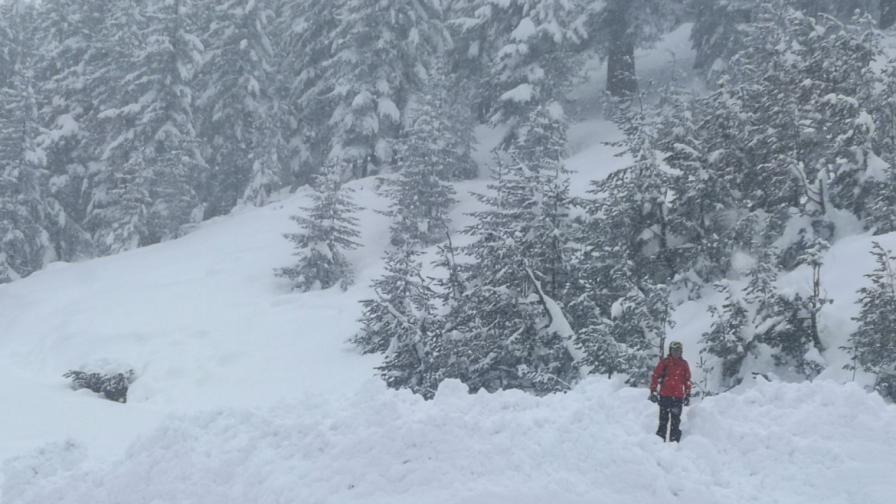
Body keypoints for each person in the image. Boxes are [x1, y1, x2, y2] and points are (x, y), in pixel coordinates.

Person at [649, 341, 692, 442]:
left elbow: (687, 380)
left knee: (675, 422)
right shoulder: (665, 362)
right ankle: (659, 442)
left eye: (678, 351)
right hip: (665, 396)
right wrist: (653, 391)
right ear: (670, 351)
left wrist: (688, 394)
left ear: (681, 352)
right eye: (674, 350)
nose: (676, 353)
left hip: (677, 398)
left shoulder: (684, 364)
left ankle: (674, 444)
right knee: (663, 421)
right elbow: (655, 376)